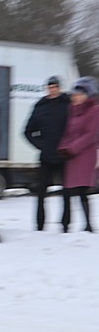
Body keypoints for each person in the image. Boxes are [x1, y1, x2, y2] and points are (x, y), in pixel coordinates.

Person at [24, 76, 71, 230]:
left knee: (66, 193)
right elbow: (28, 131)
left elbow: (75, 128)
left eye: (55, 87)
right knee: (41, 193)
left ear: (60, 88)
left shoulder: (68, 104)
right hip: (46, 156)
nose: (52, 90)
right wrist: (41, 145)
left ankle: (65, 225)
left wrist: (70, 145)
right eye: (50, 87)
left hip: (65, 155)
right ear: (47, 89)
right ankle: (39, 226)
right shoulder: (40, 106)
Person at [57, 77, 99, 232]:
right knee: (68, 190)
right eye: (74, 94)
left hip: (85, 155)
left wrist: (72, 148)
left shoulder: (94, 110)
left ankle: (88, 225)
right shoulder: (73, 111)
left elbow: (91, 135)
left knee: (81, 190)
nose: (75, 96)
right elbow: (68, 133)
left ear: (87, 95)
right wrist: (63, 147)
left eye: (79, 94)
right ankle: (65, 225)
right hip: (72, 156)